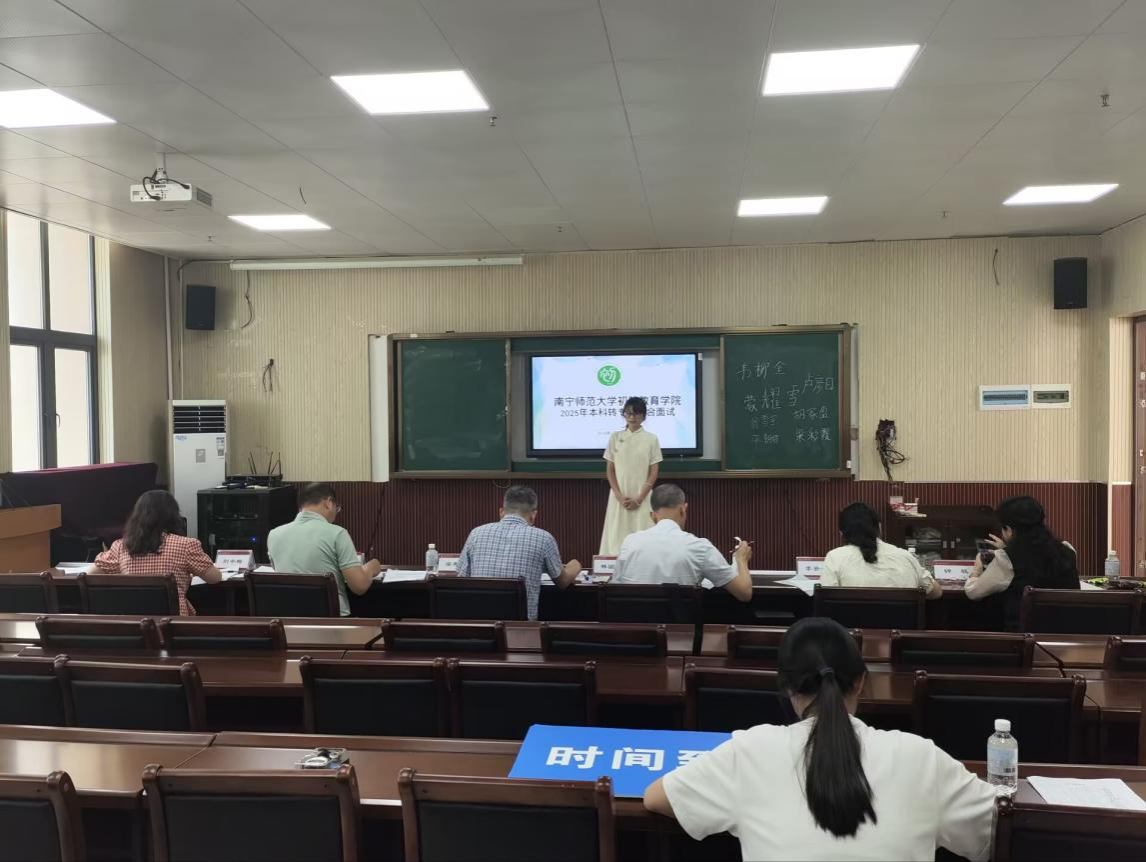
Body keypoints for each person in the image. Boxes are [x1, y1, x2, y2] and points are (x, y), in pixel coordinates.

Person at [644, 617, 996, 861]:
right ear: (860, 681)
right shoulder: (919, 756)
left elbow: (656, 797)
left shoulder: (750, 750)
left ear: (786, 687)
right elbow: (995, 828)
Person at [457, 485, 582, 620]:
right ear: (533, 515)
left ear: (501, 512)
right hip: (521, 629)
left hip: (480, 626)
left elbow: (462, 579)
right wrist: (576, 565)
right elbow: (562, 582)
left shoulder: (476, 534)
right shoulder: (543, 538)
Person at [88, 490, 221, 616]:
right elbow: (214, 578)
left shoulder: (121, 546)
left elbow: (91, 573)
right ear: (174, 516)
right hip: (174, 623)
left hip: (134, 622)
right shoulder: (186, 545)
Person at [612, 483, 752, 600]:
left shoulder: (629, 543)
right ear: (683, 510)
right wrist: (741, 560)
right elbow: (744, 593)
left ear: (652, 516)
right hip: (680, 625)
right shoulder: (699, 547)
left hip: (634, 624)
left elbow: (614, 590)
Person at [965, 495, 1079, 629]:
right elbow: (1036, 557)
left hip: (1023, 637)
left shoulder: (1007, 558)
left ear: (1009, 530)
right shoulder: (1067, 549)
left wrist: (976, 570)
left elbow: (974, 592)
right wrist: (1006, 549)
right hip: (1069, 633)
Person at [267, 483, 382, 616]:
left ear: (300, 508)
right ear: (328, 503)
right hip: (331, 622)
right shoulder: (337, 533)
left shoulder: (274, 534)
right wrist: (372, 567)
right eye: (336, 507)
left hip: (288, 621)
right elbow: (359, 586)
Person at [822, 502, 941, 599]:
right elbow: (936, 593)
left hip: (851, 623)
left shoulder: (835, 558)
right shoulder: (906, 556)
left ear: (841, 533)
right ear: (879, 527)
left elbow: (826, 599)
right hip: (901, 622)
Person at [599, 397, 663, 555]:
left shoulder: (651, 439)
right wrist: (619, 496)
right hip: (619, 497)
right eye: (628, 413)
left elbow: (654, 472)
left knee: (645, 537)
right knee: (616, 537)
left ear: (643, 416)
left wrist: (639, 499)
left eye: (637, 414)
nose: (632, 417)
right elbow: (610, 471)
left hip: (643, 497)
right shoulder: (615, 437)